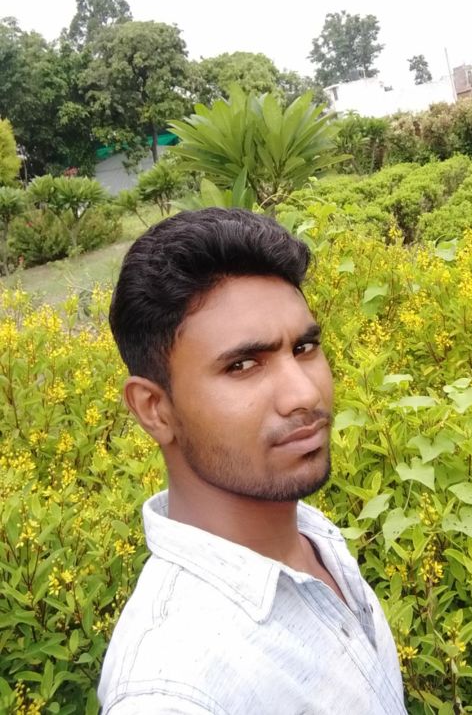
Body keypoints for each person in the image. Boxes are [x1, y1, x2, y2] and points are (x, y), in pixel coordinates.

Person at [98, 208, 407, 714]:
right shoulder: (172, 692)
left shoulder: (310, 536)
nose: (304, 394)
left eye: (305, 347)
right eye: (243, 365)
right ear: (154, 409)